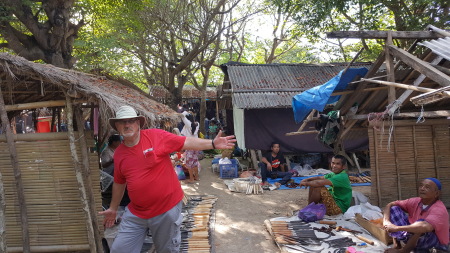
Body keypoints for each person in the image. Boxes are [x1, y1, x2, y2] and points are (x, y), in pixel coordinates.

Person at [98, 105, 236, 253]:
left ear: (138, 123)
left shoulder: (156, 136)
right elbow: (119, 182)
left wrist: (213, 144)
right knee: (120, 249)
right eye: (122, 122)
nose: (127, 125)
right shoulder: (119, 153)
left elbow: (185, 142)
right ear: (117, 127)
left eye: (131, 120)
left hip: (165, 209)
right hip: (136, 213)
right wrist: (113, 208)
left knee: (167, 250)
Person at [382, 178, 449, 253]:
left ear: (437, 193)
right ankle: (397, 245)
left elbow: (424, 227)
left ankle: (404, 251)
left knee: (421, 224)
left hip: (436, 245)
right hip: (415, 238)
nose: (422, 189)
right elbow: (390, 204)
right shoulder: (416, 201)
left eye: (427, 187)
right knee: (394, 209)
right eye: (421, 186)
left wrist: (396, 228)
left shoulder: (439, 209)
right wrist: (386, 222)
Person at [100, 134, 130, 208]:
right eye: (119, 142)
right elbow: (103, 165)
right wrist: (112, 160)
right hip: (110, 175)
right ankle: (123, 201)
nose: (120, 143)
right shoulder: (106, 152)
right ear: (114, 142)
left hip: (116, 172)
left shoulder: (116, 150)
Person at [181, 111, 200, 183]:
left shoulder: (188, 124)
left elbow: (182, 116)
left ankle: (191, 179)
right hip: (197, 145)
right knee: (195, 161)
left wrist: (186, 112)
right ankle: (197, 177)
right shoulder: (197, 124)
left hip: (190, 145)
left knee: (189, 163)